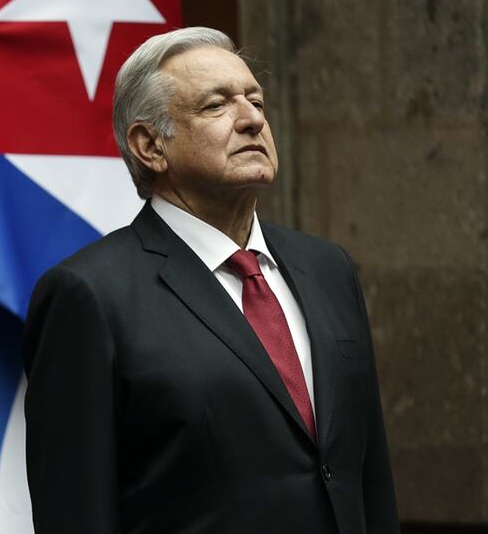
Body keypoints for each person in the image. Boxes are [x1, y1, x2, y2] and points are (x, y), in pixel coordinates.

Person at [23, 27, 399, 533]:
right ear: (150, 145)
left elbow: (368, 479)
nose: (251, 120)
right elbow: (76, 512)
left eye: (256, 102)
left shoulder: (327, 268)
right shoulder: (90, 296)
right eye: (216, 105)